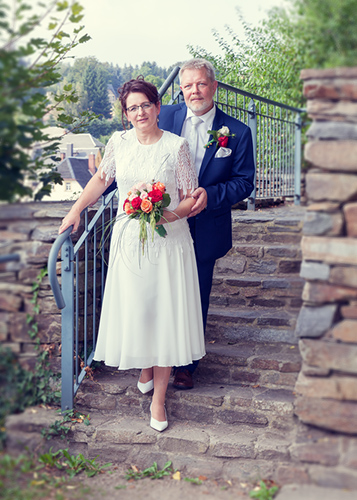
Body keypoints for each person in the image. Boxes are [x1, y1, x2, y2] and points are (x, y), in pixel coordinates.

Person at [58, 76, 205, 432]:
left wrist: (166, 213)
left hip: (168, 240)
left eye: (146, 105)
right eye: (132, 108)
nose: (140, 112)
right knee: (140, 308)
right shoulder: (118, 143)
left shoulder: (177, 146)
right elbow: (101, 180)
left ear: (157, 107)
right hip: (128, 241)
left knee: (165, 314)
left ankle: (158, 401)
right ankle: (145, 366)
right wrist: (76, 210)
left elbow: (188, 195)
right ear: (126, 113)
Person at [159, 58, 255, 390]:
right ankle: (156, 356)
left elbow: (245, 182)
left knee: (195, 294)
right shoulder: (164, 116)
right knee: (160, 289)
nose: (193, 91)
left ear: (213, 86)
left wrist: (210, 195)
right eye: (187, 85)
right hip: (165, 220)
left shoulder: (238, 132)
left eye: (200, 84)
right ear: (180, 89)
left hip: (206, 223)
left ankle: (187, 364)